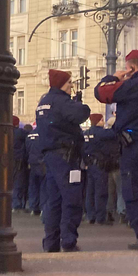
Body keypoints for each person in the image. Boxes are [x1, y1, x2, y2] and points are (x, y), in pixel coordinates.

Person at [96, 50, 138, 252]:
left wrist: (114, 77)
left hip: (133, 146)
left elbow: (101, 92)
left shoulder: (129, 86)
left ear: (131, 67)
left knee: (135, 192)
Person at [36, 69, 90, 252]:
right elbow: (81, 114)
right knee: (71, 199)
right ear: (61, 84)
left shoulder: (43, 102)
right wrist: (80, 104)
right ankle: (68, 241)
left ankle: (51, 242)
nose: (71, 87)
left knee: (54, 201)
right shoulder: (61, 101)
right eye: (69, 84)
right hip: (67, 158)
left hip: (50, 158)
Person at [82, 114, 117, 226]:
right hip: (100, 165)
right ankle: (100, 217)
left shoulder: (86, 133)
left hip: (90, 164)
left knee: (90, 191)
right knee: (100, 191)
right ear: (98, 121)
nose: (103, 122)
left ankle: (90, 216)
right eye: (102, 120)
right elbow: (115, 134)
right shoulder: (102, 133)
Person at [26, 127, 45, 216]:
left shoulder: (30, 134)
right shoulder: (45, 132)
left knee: (33, 185)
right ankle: (43, 208)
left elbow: (27, 148)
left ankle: (33, 207)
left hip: (32, 162)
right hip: (42, 162)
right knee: (43, 186)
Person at [12, 116, 29, 213]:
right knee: (18, 183)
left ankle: (10, 204)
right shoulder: (19, 133)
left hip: (7, 161)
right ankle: (17, 205)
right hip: (18, 161)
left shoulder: (4, 132)